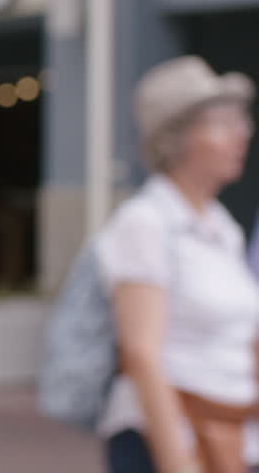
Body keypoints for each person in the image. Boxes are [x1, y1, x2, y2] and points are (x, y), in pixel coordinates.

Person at [95, 56, 256, 473]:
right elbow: (141, 356)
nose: (244, 134)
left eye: (241, 120)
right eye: (224, 123)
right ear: (177, 139)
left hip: (228, 437)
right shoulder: (146, 222)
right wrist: (179, 463)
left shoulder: (221, 225)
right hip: (169, 445)